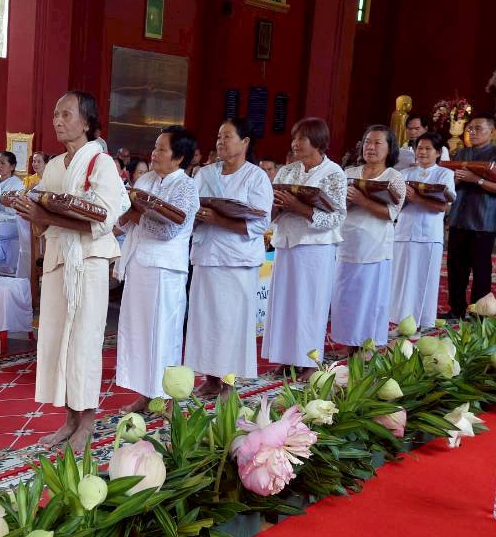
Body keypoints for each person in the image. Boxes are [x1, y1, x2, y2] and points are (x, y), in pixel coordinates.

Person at [11, 90, 127, 452]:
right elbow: (43, 212)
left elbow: (107, 217)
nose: (58, 121)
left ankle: (88, 422)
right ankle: (69, 420)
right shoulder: (57, 165)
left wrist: (45, 216)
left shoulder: (101, 164)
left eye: (66, 114)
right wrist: (30, 213)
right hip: (59, 261)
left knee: (84, 342)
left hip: (89, 263)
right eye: (55, 115)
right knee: (57, 339)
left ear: (88, 122)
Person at [114, 126, 201, 413]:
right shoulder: (147, 179)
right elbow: (127, 216)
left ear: (179, 158)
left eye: (162, 149)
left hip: (165, 270)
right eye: (155, 147)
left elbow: (168, 231)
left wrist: (137, 214)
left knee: (163, 333)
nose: (154, 153)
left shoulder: (187, 187)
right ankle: (144, 392)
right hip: (139, 263)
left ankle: (165, 395)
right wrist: (127, 213)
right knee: (137, 331)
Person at [186, 118, 273, 397]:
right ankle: (210, 377)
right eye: (219, 137)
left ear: (245, 142)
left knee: (232, 322)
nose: (220, 142)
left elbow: (260, 224)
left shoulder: (255, 176)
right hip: (207, 254)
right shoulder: (204, 174)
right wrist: (198, 217)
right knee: (205, 320)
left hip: (237, 260)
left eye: (228, 136)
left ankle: (229, 381)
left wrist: (219, 219)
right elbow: (188, 211)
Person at [263, 117, 346, 374]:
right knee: (285, 304)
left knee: (310, 304)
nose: (295, 143)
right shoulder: (288, 170)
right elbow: (273, 207)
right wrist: (275, 207)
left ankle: (309, 360)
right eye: (294, 138)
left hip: (315, 247)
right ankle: (287, 358)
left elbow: (336, 216)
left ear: (318, 142)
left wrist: (298, 206)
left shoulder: (333, 173)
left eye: (302, 138)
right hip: (287, 242)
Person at [333, 125, 406, 352]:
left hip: (375, 246)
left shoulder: (395, 177)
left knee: (369, 299)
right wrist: (347, 201)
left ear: (389, 148)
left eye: (377, 143)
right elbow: (336, 208)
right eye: (367, 142)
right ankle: (347, 342)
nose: (370, 147)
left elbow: (391, 213)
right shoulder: (348, 173)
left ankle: (367, 344)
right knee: (345, 297)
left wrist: (363, 200)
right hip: (347, 242)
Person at [445, 115, 496, 319]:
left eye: (478, 128)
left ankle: (479, 311)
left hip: (483, 220)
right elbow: (450, 185)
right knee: (456, 267)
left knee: (481, 269)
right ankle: (456, 308)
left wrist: (476, 180)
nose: (472, 132)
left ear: (492, 131)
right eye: (470, 128)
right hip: (459, 218)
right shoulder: (461, 153)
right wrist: (454, 180)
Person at [390, 132, 455, 331]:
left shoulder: (444, 174)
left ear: (438, 152)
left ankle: (422, 321)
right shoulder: (405, 174)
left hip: (429, 235)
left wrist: (417, 197)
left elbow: (443, 206)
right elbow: (394, 203)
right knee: (400, 279)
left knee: (423, 279)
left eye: (428, 149)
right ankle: (398, 321)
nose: (423, 152)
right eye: (420, 148)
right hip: (404, 231)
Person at [0, 151, 24, 274]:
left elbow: (14, 209)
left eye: (2, 163)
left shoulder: (17, 184)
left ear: (12, 167)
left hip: (12, 221)